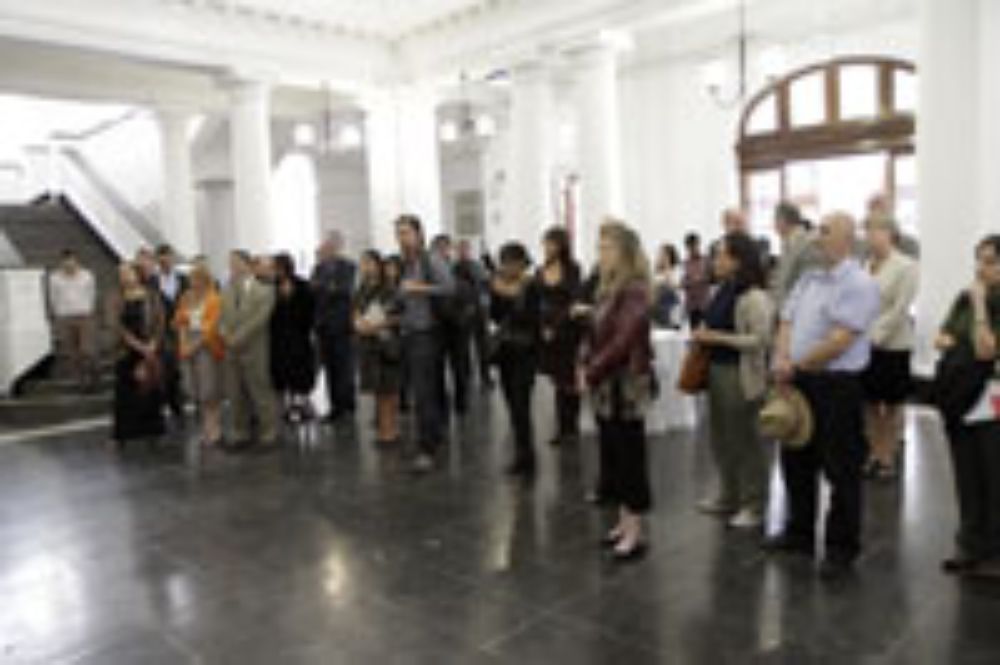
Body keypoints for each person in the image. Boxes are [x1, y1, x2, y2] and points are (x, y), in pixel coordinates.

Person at [767, 211, 881, 581]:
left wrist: (794, 365)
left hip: (836, 386)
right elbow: (786, 320)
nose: (817, 236)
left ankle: (840, 548)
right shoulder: (809, 278)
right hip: (799, 380)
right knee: (796, 458)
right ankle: (799, 533)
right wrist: (784, 358)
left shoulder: (860, 284)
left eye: (825, 231)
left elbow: (838, 342)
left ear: (846, 240)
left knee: (841, 468)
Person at [581, 220, 655, 561]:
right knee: (614, 453)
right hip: (606, 385)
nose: (601, 253)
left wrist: (592, 369)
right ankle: (624, 522)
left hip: (624, 385)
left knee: (630, 456)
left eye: (607, 247)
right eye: (600, 247)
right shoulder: (607, 287)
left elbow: (623, 341)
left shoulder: (635, 289)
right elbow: (596, 332)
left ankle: (635, 529)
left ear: (624, 253)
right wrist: (585, 361)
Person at [693, 231, 775, 529]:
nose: (716, 261)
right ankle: (729, 494)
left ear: (738, 260)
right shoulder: (724, 289)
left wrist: (716, 337)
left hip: (740, 375)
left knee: (746, 441)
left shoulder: (753, 296)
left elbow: (761, 340)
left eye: (722, 255)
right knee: (721, 438)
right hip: (716, 371)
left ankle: (754, 504)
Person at [937, 235, 1000, 579]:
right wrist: (965, 339)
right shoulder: (965, 297)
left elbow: (987, 349)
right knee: (967, 471)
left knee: (993, 473)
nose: (982, 268)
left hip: (993, 399)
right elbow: (940, 336)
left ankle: (994, 550)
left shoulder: (978, 300)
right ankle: (970, 543)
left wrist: (979, 310)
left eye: (991, 261)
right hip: (961, 394)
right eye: (980, 260)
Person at [861, 216, 919, 480]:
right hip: (864, 344)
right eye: (868, 231)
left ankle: (888, 456)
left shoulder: (906, 266)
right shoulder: (865, 264)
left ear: (890, 234)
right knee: (871, 403)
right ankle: (874, 452)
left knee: (892, 404)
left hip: (893, 344)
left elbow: (900, 309)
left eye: (874, 230)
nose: (870, 236)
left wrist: (875, 335)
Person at [397, 215, 455, 473]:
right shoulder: (405, 262)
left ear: (419, 234)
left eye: (407, 232)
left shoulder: (430, 258)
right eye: (399, 233)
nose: (402, 237)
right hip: (411, 332)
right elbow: (403, 296)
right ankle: (436, 433)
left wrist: (420, 288)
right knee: (428, 389)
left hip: (428, 333)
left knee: (423, 393)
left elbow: (450, 288)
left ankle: (426, 448)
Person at [219, 250, 279, 451]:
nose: (232, 266)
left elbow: (259, 321)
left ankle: (268, 434)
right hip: (230, 350)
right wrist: (224, 334)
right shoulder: (226, 290)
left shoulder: (264, 290)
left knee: (260, 391)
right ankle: (239, 433)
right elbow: (220, 318)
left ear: (247, 265)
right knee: (235, 394)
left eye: (236, 262)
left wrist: (236, 338)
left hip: (254, 349)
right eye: (230, 263)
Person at [490, 242, 541, 477]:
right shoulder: (500, 284)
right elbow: (495, 316)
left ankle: (527, 456)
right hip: (505, 352)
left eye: (511, 262)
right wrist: (498, 295)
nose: (508, 268)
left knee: (522, 405)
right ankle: (522, 454)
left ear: (522, 263)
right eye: (504, 263)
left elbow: (532, 319)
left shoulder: (532, 285)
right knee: (512, 405)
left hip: (526, 352)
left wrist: (511, 296)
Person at [109, 262, 165, 449]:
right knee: (125, 392)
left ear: (137, 274)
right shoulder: (115, 297)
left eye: (128, 272)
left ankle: (152, 432)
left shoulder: (151, 295)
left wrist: (153, 344)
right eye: (121, 274)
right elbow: (114, 324)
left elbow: (159, 321)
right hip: (126, 349)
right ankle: (124, 435)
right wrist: (136, 345)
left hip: (149, 348)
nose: (125, 277)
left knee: (149, 391)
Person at [537, 226, 584, 447]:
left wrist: (557, 325)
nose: (546, 247)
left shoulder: (573, 269)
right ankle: (563, 427)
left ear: (561, 245)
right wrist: (543, 327)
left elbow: (574, 301)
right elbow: (537, 301)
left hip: (568, 329)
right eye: (545, 243)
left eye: (551, 243)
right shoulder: (541, 270)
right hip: (547, 331)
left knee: (568, 379)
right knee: (557, 380)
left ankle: (571, 426)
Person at [354, 250, 403, 446]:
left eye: (369, 262)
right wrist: (357, 323)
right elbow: (355, 310)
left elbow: (399, 315)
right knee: (377, 391)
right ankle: (384, 430)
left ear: (378, 264)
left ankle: (391, 430)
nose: (365, 267)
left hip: (386, 343)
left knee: (389, 391)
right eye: (363, 263)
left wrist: (377, 326)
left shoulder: (389, 288)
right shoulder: (362, 287)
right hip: (367, 344)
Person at [174, 260, 225, 447]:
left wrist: (194, 346)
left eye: (196, 279)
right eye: (191, 279)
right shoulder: (186, 297)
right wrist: (183, 343)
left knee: (209, 390)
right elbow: (180, 321)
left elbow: (212, 328)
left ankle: (214, 428)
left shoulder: (214, 298)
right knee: (194, 388)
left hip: (206, 345)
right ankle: (205, 427)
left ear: (205, 279)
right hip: (188, 342)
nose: (193, 283)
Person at [311, 231, 357, 423]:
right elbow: (314, 289)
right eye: (324, 245)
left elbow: (344, 290)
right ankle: (336, 407)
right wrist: (326, 287)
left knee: (344, 367)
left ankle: (348, 403)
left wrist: (326, 287)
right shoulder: (318, 267)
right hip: (323, 326)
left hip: (341, 325)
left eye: (329, 246)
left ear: (338, 247)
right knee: (329, 369)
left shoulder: (349, 266)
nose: (325, 249)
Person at [270, 253, 317, 424]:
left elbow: (310, 313)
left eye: (278, 268)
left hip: (298, 338)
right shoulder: (271, 287)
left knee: (300, 374)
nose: (276, 272)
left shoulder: (303, 286)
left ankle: (302, 405)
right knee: (282, 374)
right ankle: (287, 407)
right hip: (278, 339)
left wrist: (291, 298)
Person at [431, 233, 474, 417]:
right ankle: (441, 401)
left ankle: (461, 401)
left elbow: (470, 291)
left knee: (459, 365)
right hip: (437, 325)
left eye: (444, 247)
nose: (442, 251)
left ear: (450, 248)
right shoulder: (429, 270)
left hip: (458, 325)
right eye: (438, 247)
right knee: (437, 366)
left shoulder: (461, 267)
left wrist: (463, 316)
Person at [47, 249, 98, 391]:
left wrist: (89, 310)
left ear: (77, 260)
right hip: (64, 317)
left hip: (84, 316)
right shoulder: (54, 278)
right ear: (61, 262)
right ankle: (81, 382)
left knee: (87, 350)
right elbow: (53, 298)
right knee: (72, 352)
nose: (69, 263)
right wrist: (57, 315)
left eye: (71, 260)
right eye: (66, 261)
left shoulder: (87, 275)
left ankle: (92, 375)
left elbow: (92, 294)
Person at [155, 244, 189, 419]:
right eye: (162, 258)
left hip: (182, 328)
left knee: (178, 367)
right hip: (162, 330)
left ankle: (178, 403)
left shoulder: (184, 280)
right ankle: (170, 403)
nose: (165, 261)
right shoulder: (153, 281)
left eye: (168, 257)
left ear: (173, 258)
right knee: (167, 367)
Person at [456, 238, 494, 390]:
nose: (463, 251)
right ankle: (466, 377)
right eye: (460, 249)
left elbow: (486, 282)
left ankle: (485, 377)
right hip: (464, 312)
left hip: (479, 311)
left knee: (483, 346)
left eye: (466, 249)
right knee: (464, 348)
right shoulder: (454, 267)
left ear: (469, 250)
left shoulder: (477, 266)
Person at [771, 202, 822, 311]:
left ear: (782, 221)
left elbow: (808, 285)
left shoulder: (807, 243)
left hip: (801, 312)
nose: (774, 225)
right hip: (787, 310)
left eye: (775, 220)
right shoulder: (788, 243)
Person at [681, 232, 711, 327]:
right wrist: (694, 280)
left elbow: (710, 277)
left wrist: (696, 279)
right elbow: (682, 282)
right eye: (690, 247)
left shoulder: (706, 261)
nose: (693, 249)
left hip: (704, 304)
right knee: (693, 331)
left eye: (695, 245)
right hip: (691, 305)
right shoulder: (685, 263)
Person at [652, 243, 683, 329]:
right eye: (659, 254)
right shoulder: (656, 274)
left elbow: (674, 286)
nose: (660, 257)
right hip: (657, 312)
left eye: (662, 254)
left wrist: (667, 267)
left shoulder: (677, 270)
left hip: (672, 310)